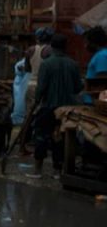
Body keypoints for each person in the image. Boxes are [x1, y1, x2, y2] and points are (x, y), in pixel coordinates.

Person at [32, 33, 83, 177]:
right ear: (65, 47)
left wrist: (36, 101)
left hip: (48, 106)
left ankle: (38, 170)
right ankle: (57, 170)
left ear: (52, 47)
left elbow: (41, 87)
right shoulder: (73, 64)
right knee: (60, 138)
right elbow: (78, 88)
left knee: (41, 136)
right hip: (67, 109)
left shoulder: (46, 64)